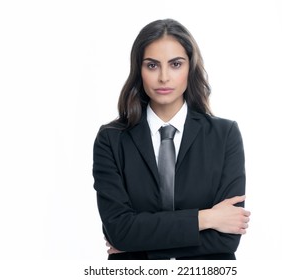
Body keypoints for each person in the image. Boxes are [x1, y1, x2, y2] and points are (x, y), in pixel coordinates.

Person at [92, 19, 250, 260]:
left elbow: (226, 239)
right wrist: (204, 218)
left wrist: (138, 244)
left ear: (190, 67)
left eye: (175, 64)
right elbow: (119, 231)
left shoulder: (224, 135)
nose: (164, 77)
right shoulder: (111, 140)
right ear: (139, 70)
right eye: (152, 65)